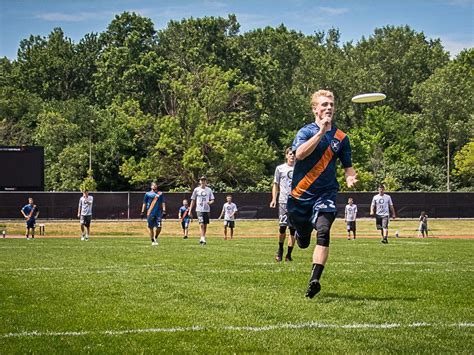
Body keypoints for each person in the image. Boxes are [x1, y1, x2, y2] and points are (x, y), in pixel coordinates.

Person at [287, 89, 357, 299]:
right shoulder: (306, 132)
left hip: (326, 193)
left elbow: (348, 167)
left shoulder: (341, 138)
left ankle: (314, 280)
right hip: (300, 196)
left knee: (324, 231)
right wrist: (320, 133)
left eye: (331, 105)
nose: (328, 108)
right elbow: (299, 154)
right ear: (315, 109)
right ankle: (302, 232)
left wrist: (349, 177)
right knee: (304, 240)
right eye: (324, 105)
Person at [270, 147, 296, 262]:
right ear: (286, 156)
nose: (292, 156)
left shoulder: (299, 168)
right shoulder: (280, 169)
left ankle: (289, 254)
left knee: (293, 229)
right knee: (282, 227)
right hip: (283, 201)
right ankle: (280, 250)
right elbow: (275, 184)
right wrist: (274, 199)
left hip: (295, 202)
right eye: (290, 154)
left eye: (294, 154)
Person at [189, 176, 215, 246]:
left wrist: (210, 202)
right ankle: (203, 238)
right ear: (199, 181)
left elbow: (212, 199)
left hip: (206, 209)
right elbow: (193, 200)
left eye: (204, 180)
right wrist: (190, 210)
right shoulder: (196, 190)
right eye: (202, 180)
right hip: (199, 209)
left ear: (206, 182)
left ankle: (202, 237)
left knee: (205, 224)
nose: (203, 182)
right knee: (201, 224)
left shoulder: (209, 190)